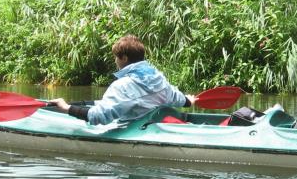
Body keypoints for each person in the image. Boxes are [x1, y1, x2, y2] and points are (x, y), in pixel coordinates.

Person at [52, 35, 196, 125]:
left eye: (116, 57)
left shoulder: (123, 86)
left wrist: (66, 108)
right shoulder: (158, 77)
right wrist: (188, 101)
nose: (115, 61)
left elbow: (98, 116)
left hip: (134, 129)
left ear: (124, 58)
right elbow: (175, 98)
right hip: (153, 125)